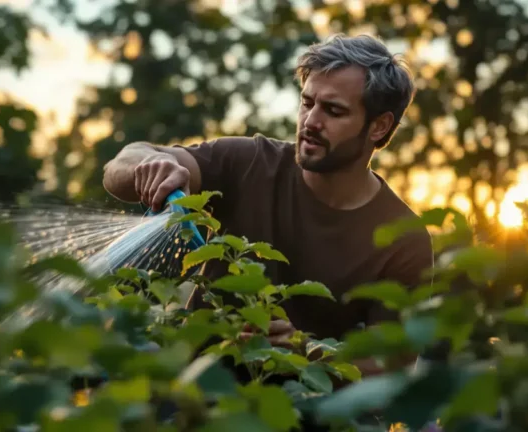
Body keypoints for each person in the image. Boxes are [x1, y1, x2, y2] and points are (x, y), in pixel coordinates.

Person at [102, 33, 434, 379]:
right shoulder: (250, 162)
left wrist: (306, 350)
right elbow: (119, 167)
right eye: (307, 103)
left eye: (333, 110)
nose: (310, 122)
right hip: (195, 400)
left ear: (379, 127)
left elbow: (394, 365)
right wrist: (152, 166)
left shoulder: (403, 240)